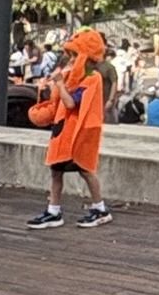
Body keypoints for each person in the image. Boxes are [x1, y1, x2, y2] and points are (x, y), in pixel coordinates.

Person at [27, 30, 112, 229]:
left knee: (85, 170)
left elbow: (71, 103)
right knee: (56, 172)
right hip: (63, 131)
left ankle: (100, 208)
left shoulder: (92, 79)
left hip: (78, 134)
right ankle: (53, 210)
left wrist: (60, 84)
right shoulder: (72, 77)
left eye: (75, 55)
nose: (71, 60)